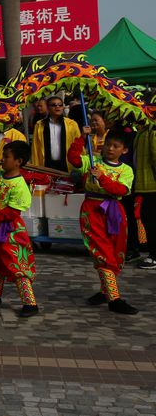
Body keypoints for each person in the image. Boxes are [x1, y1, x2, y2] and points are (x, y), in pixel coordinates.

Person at [68, 130, 137, 314]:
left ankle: (104, 290)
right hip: (92, 210)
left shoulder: (126, 170)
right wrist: (82, 137)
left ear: (124, 150)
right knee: (103, 252)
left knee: (116, 252)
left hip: (114, 211)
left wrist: (102, 178)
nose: (110, 149)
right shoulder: (93, 161)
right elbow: (74, 159)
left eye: (116, 146)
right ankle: (114, 299)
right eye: (108, 144)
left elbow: (121, 189)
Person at [0, 141, 39, 317]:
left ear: (18, 161)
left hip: (8, 230)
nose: (2, 160)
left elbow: (13, 211)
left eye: (6, 157)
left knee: (16, 263)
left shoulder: (19, 185)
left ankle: (30, 302)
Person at [31, 95, 81, 172]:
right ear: (48, 108)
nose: (57, 107)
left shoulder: (72, 124)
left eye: (60, 105)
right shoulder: (39, 125)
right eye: (54, 105)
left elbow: (79, 146)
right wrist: (36, 169)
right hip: (46, 166)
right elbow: (35, 148)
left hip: (67, 166)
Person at [134, 125, 156, 270]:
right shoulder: (143, 130)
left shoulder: (152, 131)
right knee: (147, 218)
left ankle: (154, 255)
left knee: (151, 219)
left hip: (152, 184)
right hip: (145, 183)